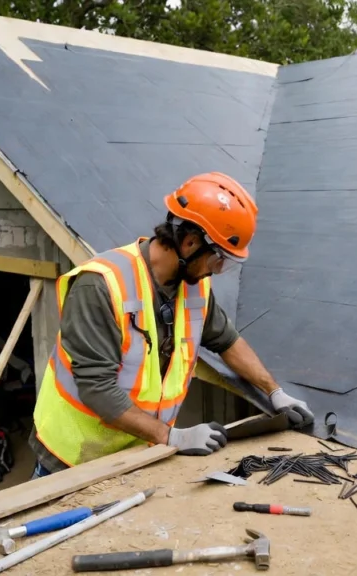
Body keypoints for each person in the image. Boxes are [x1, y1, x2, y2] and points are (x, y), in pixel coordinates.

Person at [29, 172, 314, 478]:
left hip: (139, 455)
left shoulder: (194, 287)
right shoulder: (101, 286)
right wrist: (172, 436)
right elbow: (97, 388)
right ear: (190, 242)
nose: (217, 271)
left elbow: (226, 341)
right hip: (74, 460)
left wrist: (274, 393)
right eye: (218, 260)